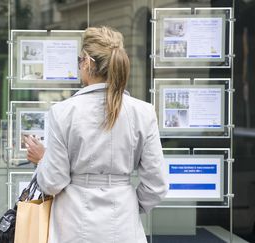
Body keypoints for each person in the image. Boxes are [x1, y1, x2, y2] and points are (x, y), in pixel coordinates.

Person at [24, 26, 168, 243]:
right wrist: (128, 203)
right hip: (124, 222)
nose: (79, 65)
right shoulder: (143, 112)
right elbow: (156, 185)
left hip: (72, 223)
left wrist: (42, 159)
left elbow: (53, 182)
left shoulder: (63, 111)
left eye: (79, 60)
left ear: (88, 62)